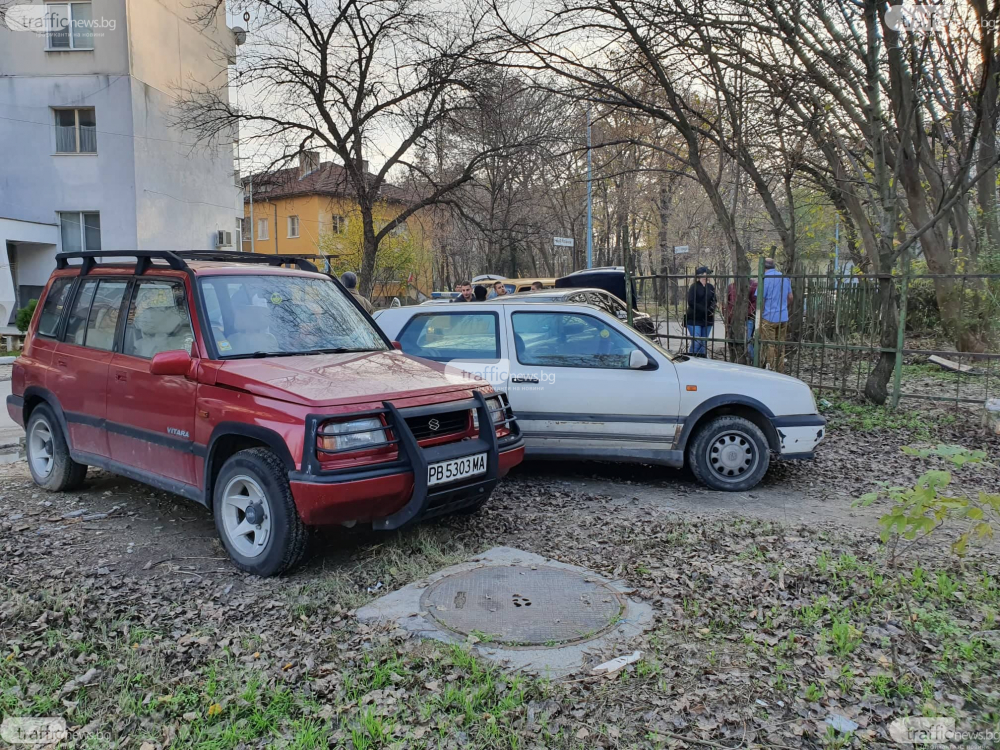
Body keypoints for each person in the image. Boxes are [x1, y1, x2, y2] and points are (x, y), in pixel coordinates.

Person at [759, 257, 793, 372]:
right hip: (783, 317)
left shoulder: (765, 279)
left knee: (770, 345)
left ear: (763, 267)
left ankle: (771, 369)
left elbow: (760, 300)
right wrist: (782, 307)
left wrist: (761, 314)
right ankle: (780, 369)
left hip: (769, 317)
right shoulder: (784, 278)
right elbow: (790, 297)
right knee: (780, 344)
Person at [684, 266, 716, 357]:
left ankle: (703, 363)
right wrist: (704, 310)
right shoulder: (694, 287)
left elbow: (714, 300)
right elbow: (691, 302)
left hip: (707, 319)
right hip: (695, 318)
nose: (709, 275)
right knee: (696, 342)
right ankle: (691, 360)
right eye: (707, 273)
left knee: (703, 344)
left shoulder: (710, 286)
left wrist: (711, 309)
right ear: (701, 275)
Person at [725, 278, 757, 364]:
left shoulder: (753, 285)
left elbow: (755, 302)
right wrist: (729, 317)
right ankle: (736, 361)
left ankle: (752, 362)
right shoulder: (731, 286)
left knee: (747, 341)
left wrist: (746, 313)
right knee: (734, 341)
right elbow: (727, 303)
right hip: (733, 320)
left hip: (748, 319)